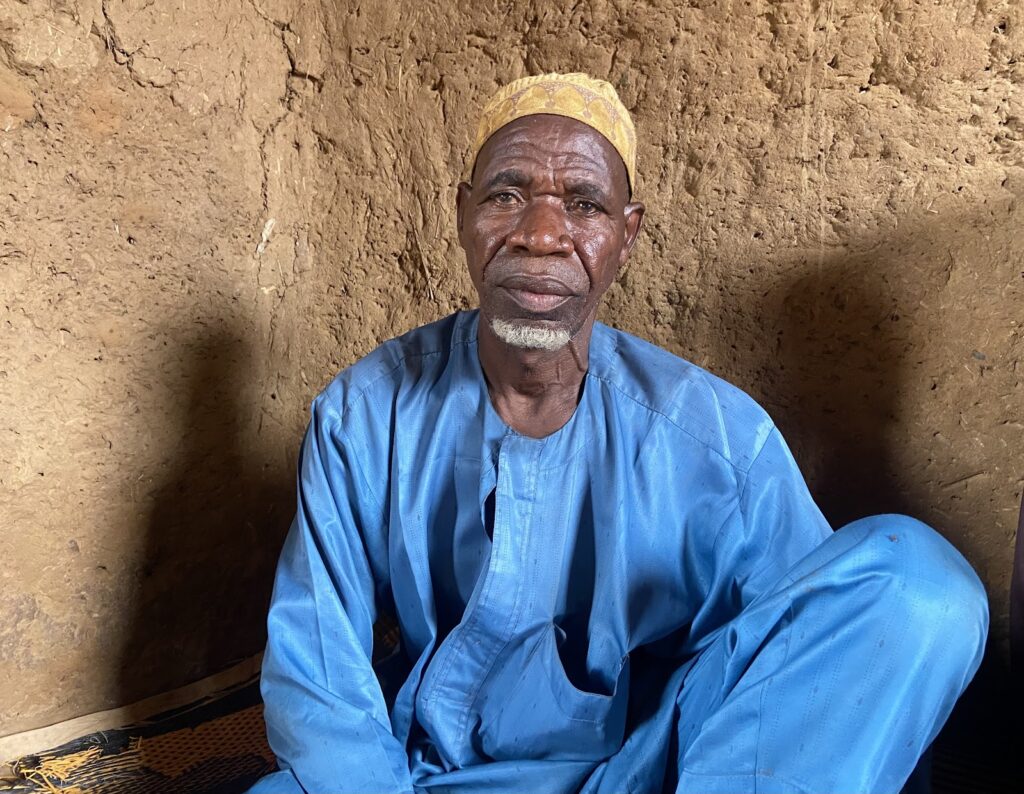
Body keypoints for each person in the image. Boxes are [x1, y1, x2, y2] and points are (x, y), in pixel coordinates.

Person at [248, 73, 988, 794]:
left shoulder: (720, 442)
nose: (541, 235)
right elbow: (320, 680)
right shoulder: (365, 416)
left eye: (584, 204)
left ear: (625, 236)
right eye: (507, 195)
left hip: (660, 767)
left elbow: (813, 670)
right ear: (462, 215)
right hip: (427, 774)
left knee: (920, 583)